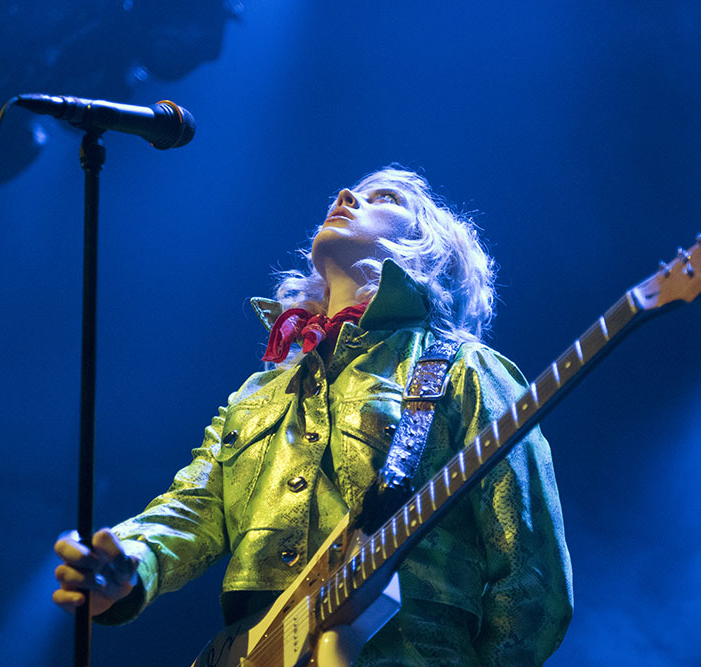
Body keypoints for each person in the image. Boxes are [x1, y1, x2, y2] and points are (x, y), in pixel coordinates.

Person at [53, 167, 573, 665]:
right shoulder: (259, 391)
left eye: (386, 198)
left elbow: (533, 577)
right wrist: (129, 562)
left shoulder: (465, 370)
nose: (347, 196)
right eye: (353, 191)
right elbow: (192, 507)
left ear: (432, 249)